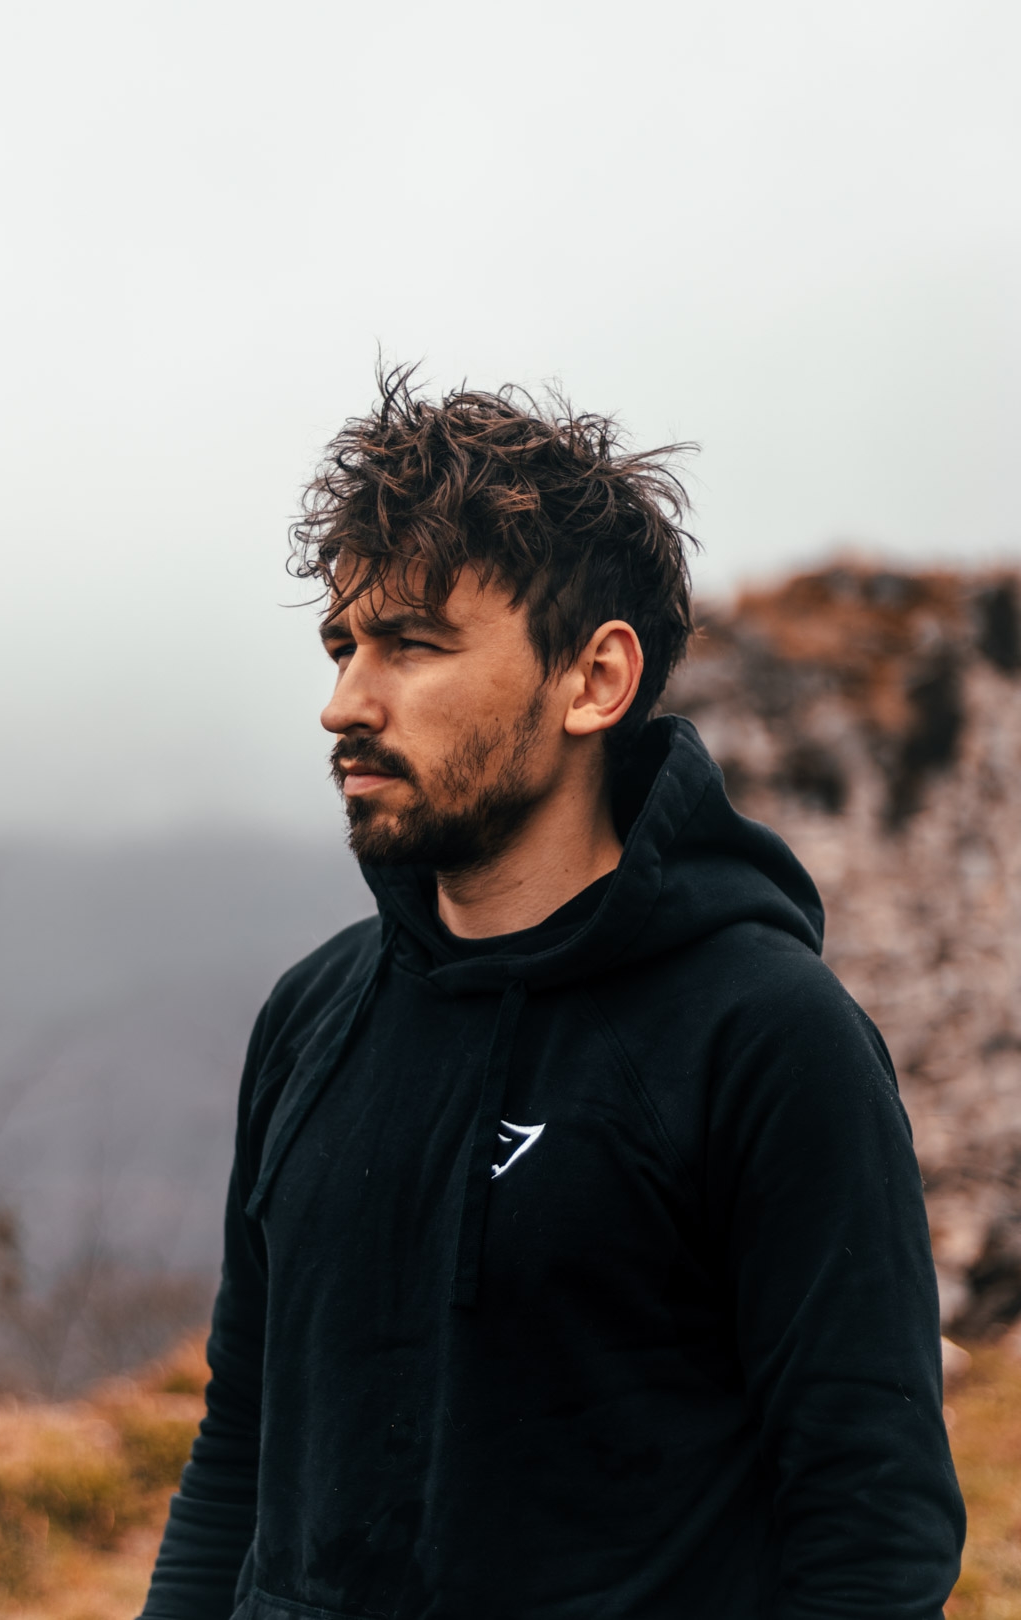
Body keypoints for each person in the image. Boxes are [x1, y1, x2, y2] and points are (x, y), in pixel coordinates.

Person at [138, 371, 964, 1620]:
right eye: (343, 646)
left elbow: (872, 1530)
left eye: (413, 644)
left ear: (594, 680)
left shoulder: (768, 1038)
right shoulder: (310, 1017)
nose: (344, 703)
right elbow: (242, 1450)